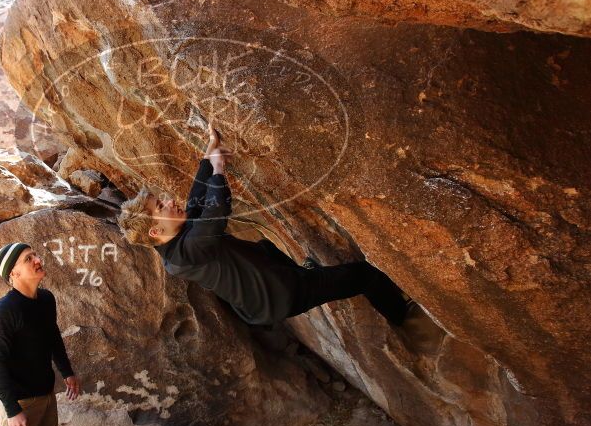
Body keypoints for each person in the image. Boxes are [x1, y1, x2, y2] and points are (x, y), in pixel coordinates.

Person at [117, 123, 412, 328]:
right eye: (160, 207)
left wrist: (210, 151)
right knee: (363, 275)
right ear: (155, 231)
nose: (168, 202)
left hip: (263, 289)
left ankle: (305, 272)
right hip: (280, 296)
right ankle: (402, 314)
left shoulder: (174, 241)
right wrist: (220, 168)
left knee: (265, 247)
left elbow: (196, 198)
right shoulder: (183, 256)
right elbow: (215, 211)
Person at [0, 242, 81, 426]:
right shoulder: (4, 311)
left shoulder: (46, 299)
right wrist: (12, 411)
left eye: (35, 255)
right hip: (20, 404)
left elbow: (52, 338)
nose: (38, 259)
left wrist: (67, 372)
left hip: (46, 397)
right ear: (13, 274)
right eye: (29, 258)